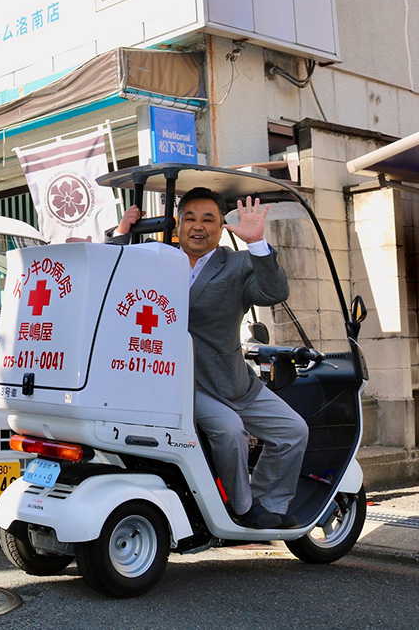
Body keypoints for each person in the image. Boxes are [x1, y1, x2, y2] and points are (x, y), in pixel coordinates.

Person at [115, 188, 308, 529]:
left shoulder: (237, 264)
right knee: (231, 430)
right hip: (182, 384)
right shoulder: (156, 259)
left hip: (233, 380)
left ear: (221, 229)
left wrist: (258, 244)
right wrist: (120, 235)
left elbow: (274, 292)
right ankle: (243, 508)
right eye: (190, 218)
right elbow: (109, 278)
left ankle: (268, 501)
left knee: (293, 430)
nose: (198, 226)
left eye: (209, 219)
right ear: (178, 226)